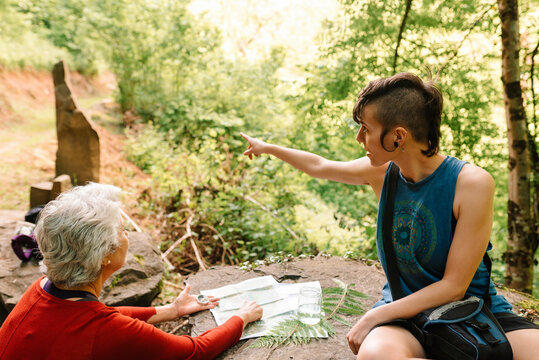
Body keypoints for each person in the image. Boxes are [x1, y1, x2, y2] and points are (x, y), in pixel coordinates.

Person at [240, 72, 539, 360]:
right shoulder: (381, 172)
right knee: (375, 356)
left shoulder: (471, 183)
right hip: (405, 315)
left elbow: (454, 286)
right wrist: (268, 148)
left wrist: (374, 315)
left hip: (474, 311)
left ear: (398, 136)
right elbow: (320, 165)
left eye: (366, 129)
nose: (359, 137)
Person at [0, 183, 263, 360]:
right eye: (123, 230)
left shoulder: (41, 290)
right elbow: (194, 351)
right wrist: (241, 318)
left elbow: (97, 321)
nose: (128, 236)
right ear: (104, 255)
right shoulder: (105, 329)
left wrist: (170, 311)